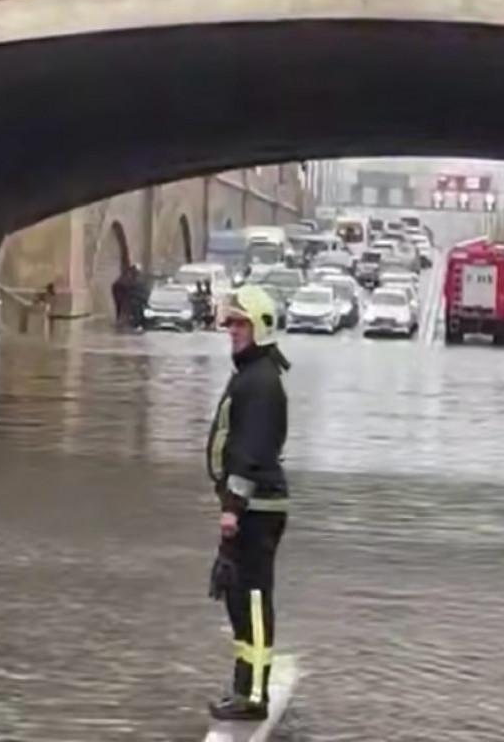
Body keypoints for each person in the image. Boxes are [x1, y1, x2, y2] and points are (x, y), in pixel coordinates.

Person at [206, 284, 291, 721]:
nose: (233, 331)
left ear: (260, 327)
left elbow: (251, 451)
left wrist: (232, 508)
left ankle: (255, 695)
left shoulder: (259, 382)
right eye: (231, 323)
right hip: (250, 509)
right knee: (238, 597)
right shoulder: (252, 374)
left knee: (254, 600)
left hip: (256, 510)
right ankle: (243, 684)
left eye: (241, 324)